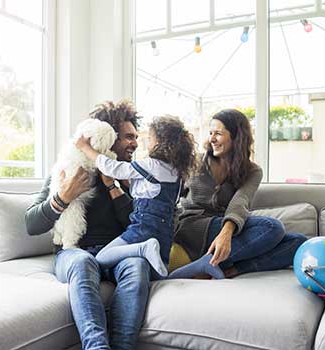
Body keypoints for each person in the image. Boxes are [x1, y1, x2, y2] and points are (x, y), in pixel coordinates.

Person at [25, 100, 149, 350]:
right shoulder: (67, 167)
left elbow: (137, 225)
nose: (134, 143)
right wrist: (63, 198)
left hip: (117, 252)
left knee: (137, 265)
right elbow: (31, 223)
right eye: (127, 137)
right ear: (107, 137)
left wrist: (113, 185)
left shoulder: (130, 176)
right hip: (75, 252)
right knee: (82, 262)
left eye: (135, 137)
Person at [169, 109, 307, 280]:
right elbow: (171, 196)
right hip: (192, 227)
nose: (211, 139)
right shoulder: (194, 162)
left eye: (218, 133)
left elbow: (240, 201)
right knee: (272, 227)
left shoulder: (252, 171)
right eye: (211, 133)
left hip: (224, 229)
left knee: (299, 242)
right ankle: (209, 264)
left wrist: (226, 234)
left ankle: (230, 268)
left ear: (236, 137)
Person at [76, 115, 197, 278]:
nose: (145, 143)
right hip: (165, 233)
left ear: (159, 143)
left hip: (143, 229)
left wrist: (85, 147)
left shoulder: (150, 165)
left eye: (150, 138)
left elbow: (113, 168)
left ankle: (143, 248)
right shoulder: (175, 172)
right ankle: (202, 265)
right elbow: (154, 190)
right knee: (161, 275)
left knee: (102, 257)